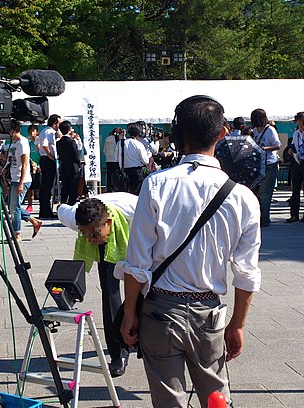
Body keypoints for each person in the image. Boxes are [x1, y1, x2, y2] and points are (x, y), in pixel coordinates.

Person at [116, 95, 261, 408]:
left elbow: (137, 262)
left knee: (168, 402)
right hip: (209, 314)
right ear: (221, 133)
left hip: (160, 312)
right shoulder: (243, 198)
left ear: (176, 133)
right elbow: (247, 272)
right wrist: (237, 324)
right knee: (217, 400)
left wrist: (129, 312)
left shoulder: (156, 184)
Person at [58, 193, 137, 377]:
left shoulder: (137, 211)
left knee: (144, 290)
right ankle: (119, 354)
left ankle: (142, 338)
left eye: (93, 234)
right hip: (107, 242)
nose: (90, 239)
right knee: (110, 292)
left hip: (133, 235)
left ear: (107, 223)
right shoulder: (73, 217)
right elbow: (60, 209)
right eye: (85, 235)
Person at [6, 120, 42, 240]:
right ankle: (34, 221)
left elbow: (25, 164)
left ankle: (17, 233)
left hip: (22, 179)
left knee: (14, 207)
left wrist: (21, 183)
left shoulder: (22, 143)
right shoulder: (14, 143)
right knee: (12, 206)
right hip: (15, 177)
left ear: (13, 131)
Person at [250, 109, 280, 227]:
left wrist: (265, 148)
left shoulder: (270, 130)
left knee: (265, 193)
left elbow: (277, 145)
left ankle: (265, 219)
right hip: (257, 164)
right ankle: (258, 217)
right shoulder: (254, 131)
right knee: (256, 192)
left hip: (269, 163)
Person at [37, 115, 61, 219]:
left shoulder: (44, 131)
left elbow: (37, 144)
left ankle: (44, 209)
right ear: (55, 123)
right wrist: (49, 155)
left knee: (46, 186)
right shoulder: (49, 131)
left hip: (44, 159)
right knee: (47, 186)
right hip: (48, 160)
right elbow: (44, 145)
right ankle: (46, 210)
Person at [56, 121, 83, 206]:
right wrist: (79, 164)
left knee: (65, 188)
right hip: (73, 168)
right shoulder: (72, 142)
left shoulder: (59, 142)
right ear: (69, 129)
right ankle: (71, 206)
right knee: (73, 189)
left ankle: (63, 205)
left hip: (63, 167)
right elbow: (76, 155)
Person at [120, 125, 151, 196]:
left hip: (124, 171)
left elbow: (117, 158)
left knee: (126, 193)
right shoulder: (138, 144)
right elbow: (145, 161)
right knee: (136, 193)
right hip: (137, 172)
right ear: (138, 135)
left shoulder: (120, 143)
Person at [103, 128, 122, 192]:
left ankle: (109, 188)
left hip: (108, 159)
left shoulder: (107, 139)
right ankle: (115, 187)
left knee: (109, 174)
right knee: (115, 174)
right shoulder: (118, 139)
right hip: (115, 159)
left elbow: (104, 150)